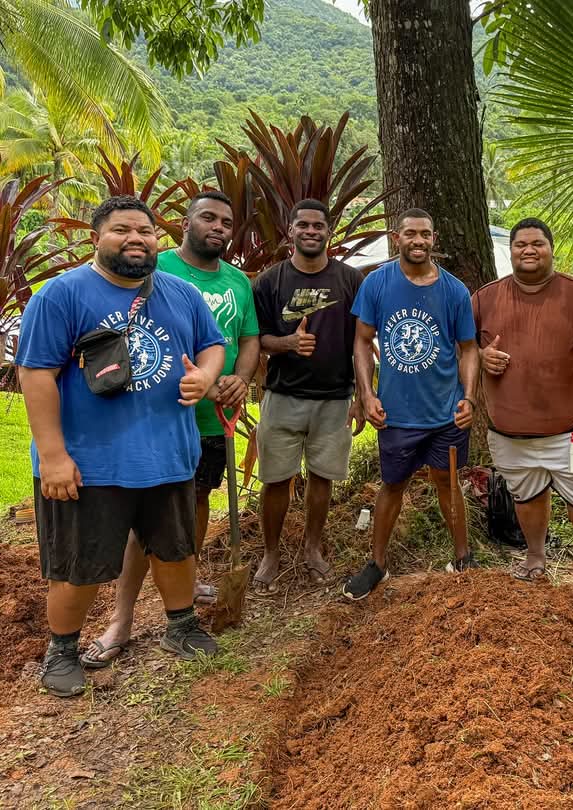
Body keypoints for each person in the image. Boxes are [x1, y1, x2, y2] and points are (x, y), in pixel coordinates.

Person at [16, 195, 226, 697]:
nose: (136, 239)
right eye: (121, 230)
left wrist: (207, 378)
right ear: (96, 239)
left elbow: (212, 343)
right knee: (80, 565)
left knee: (175, 551)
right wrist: (53, 457)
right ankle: (62, 649)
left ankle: (181, 627)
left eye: (145, 231)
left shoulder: (181, 293)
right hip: (90, 464)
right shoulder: (61, 296)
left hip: (169, 455)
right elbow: (36, 373)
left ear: (159, 240)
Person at [82, 190, 261, 668]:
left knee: (192, 508)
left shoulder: (238, 281)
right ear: (184, 223)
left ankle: (181, 601)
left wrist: (237, 382)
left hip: (211, 417)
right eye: (208, 217)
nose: (218, 227)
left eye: (227, 220)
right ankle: (121, 617)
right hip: (156, 423)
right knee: (145, 523)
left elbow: (245, 339)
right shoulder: (156, 272)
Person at [471, 217, 573, 602]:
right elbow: (465, 350)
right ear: (511, 250)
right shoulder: (484, 298)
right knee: (526, 496)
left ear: (551, 249)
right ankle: (535, 558)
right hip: (509, 432)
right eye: (521, 243)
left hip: (569, 432)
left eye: (537, 243)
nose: (528, 250)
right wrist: (483, 356)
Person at [342, 209, 480, 599]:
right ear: (395, 237)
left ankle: (463, 557)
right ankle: (378, 564)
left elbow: (470, 349)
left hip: (446, 410)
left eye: (425, 234)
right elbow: (362, 341)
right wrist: (367, 393)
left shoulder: (454, 291)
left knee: (446, 481)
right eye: (410, 234)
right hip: (397, 412)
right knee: (393, 484)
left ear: (434, 238)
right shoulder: (377, 283)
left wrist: (469, 398)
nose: (418, 241)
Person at [251, 199, 364, 594]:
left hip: (334, 398)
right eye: (304, 225)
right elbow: (257, 338)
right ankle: (271, 553)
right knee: (276, 479)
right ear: (291, 232)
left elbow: (364, 342)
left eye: (319, 226)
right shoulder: (269, 282)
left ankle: (312, 548)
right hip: (283, 396)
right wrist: (288, 343)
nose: (311, 231)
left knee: (322, 477)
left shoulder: (351, 280)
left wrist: (363, 394)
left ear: (329, 232)